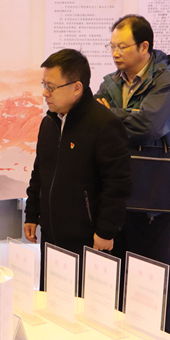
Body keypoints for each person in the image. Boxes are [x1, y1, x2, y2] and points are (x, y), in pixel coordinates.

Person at [96, 14, 170, 335]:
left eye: (122, 46)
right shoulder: (111, 82)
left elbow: (149, 126)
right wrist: (124, 116)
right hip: (118, 190)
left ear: (144, 46)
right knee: (115, 276)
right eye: (112, 46)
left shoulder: (166, 81)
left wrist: (111, 114)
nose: (115, 53)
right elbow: (97, 121)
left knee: (150, 279)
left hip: (153, 194)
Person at [24, 48, 132, 293]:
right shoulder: (49, 122)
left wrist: (105, 230)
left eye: (51, 87)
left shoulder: (104, 124)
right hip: (51, 234)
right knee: (52, 298)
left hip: (88, 239)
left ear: (76, 88)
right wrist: (32, 214)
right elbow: (40, 172)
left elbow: (117, 184)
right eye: (44, 85)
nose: (45, 93)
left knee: (83, 304)